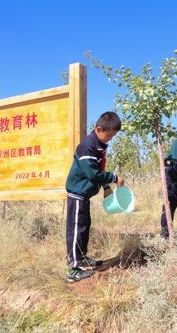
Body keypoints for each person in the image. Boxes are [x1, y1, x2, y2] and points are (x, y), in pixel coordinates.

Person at [65, 112, 124, 283]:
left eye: (113, 135)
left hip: (84, 194)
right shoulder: (88, 146)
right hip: (77, 193)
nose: (111, 138)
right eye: (110, 135)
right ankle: (73, 269)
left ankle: (81, 258)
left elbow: (99, 168)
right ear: (99, 129)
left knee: (84, 226)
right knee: (76, 229)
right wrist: (113, 178)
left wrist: (106, 187)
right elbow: (92, 173)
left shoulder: (99, 145)